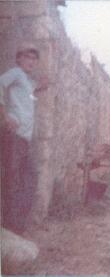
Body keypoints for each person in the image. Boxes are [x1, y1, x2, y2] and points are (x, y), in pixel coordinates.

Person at [0, 42, 48, 234]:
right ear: (18, 59)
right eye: (27, 57)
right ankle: (10, 227)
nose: (31, 61)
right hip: (14, 136)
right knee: (13, 179)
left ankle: (16, 225)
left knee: (27, 178)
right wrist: (4, 116)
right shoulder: (16, 73)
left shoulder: (27, 81)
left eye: (34, 58)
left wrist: (39, 87)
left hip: (23, 139)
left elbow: (28, 93)